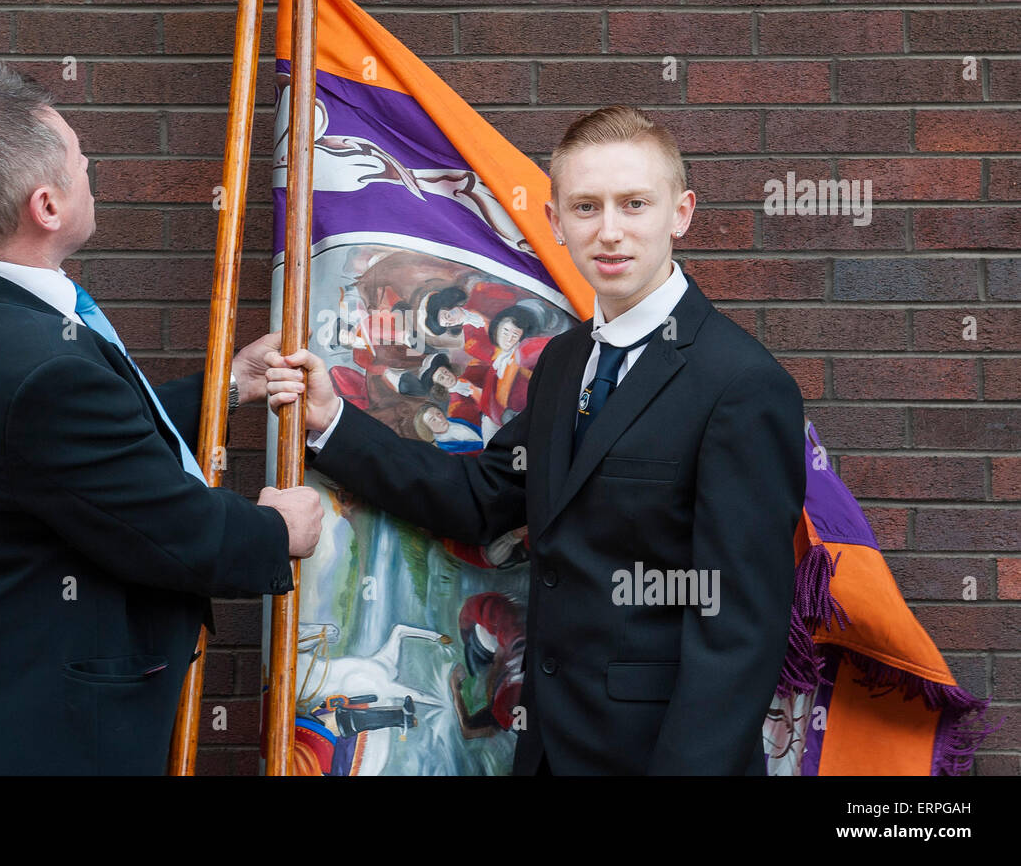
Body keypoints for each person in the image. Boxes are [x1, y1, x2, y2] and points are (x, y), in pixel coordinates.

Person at [266, 105, 805, 775]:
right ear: (555, 223)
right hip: (546, 751)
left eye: (634, 204)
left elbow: (738, 630)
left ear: (681, 212)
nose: (610, 231)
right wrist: (333, 423)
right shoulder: (562, 361)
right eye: (586, 207)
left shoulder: (743, 385)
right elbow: (482, 497)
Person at [0, 62, 321, 775]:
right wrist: (277, 528)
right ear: (47, 206)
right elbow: (174, 530)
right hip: (40, 741)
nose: (93, 173)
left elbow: (66, 455)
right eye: (83, 165)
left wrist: (226, 386)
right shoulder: (39, 366)